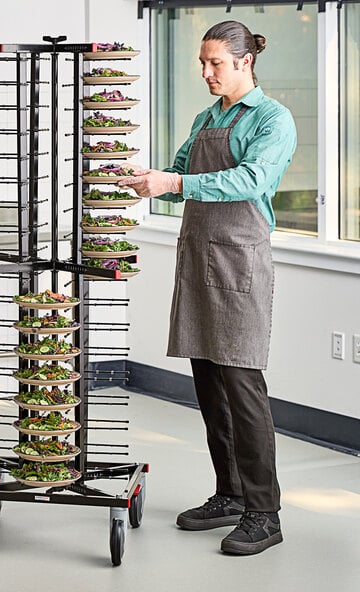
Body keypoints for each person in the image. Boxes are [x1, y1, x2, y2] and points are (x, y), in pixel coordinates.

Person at [118, 20, 297, 555]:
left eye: (216, 63)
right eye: (202, 62)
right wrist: (146, 178)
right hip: (198, 260)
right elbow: (179, 174)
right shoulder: (206, 118)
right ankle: (230, 493)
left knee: (243, 389)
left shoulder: (272, 119)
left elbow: (250, 181)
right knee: (209, 387)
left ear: (245, 62)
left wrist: (173, 183)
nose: (205, 72)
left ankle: (264, 512)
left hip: (239, 264)